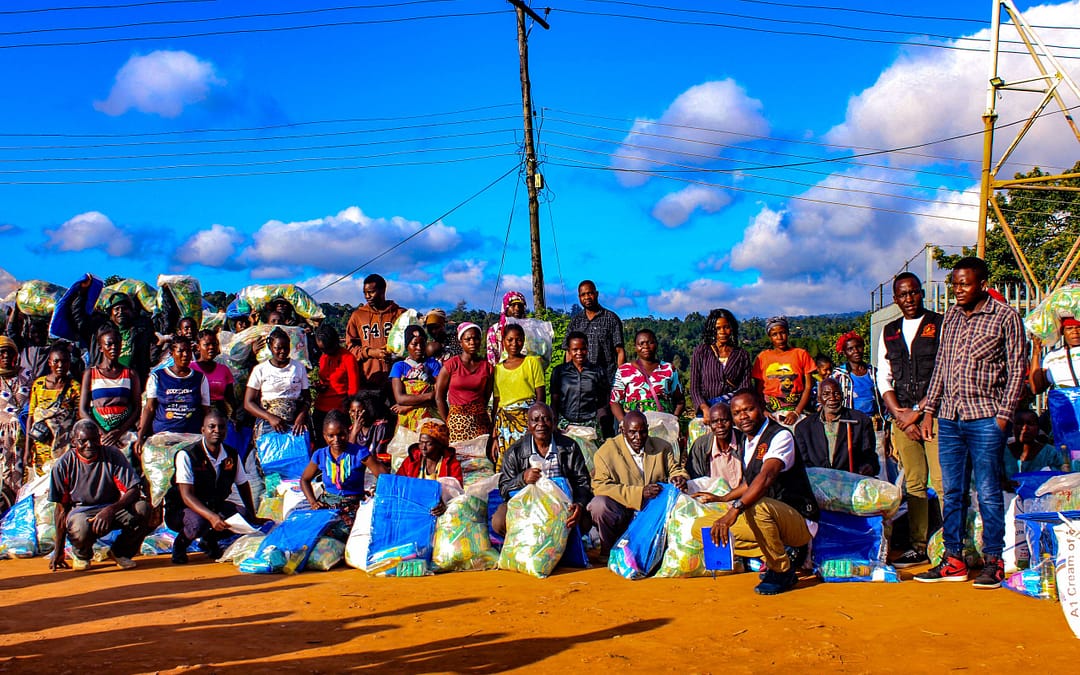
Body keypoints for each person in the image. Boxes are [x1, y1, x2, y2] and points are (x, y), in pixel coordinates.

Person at [916, 257, 1026, 590]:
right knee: (953, 492)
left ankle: (993, 562)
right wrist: (929, 409)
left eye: (964, 284)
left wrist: (1004, 416)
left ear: (981, 284)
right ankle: (954, 560)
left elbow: (1018, 369)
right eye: (955, 284)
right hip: (950, 418)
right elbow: (941, 368)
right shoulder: (950, 318)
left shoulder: (1005, 317)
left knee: (989, 493)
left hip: (985, 418)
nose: (958, 290)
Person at [708, 390, 821, 596]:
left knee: (755, 506)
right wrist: (722, 499)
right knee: (705, 527)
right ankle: (777, 554)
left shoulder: (780, 436)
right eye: (737, 412)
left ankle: (782, 570)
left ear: (761, 407)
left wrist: (735, 509)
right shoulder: (747, 441)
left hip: (796, 519)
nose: (743, 416)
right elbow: (749, 482)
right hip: (769, 519)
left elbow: (766, 477)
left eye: (749, 409)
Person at [876, 271, 944, 568]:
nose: (909, 299)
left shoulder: (940, 324)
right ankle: (919, 544)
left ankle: (947, 544)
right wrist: (901, 416)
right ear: (895, 299)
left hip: (936, 415)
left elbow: (945, 373)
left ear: (922, 293)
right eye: (903, 295)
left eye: (914, 292)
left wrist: (921, 411)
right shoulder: (889, 331)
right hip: (902, 417)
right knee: (914, 482)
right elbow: (884, 376)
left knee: (942, 481)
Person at [48, 420, 151, 572]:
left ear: (100, 438)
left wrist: (110, 510)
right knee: (80, 527)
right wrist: (58, 551)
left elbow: (133, 489)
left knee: (143, 508)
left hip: (111, 508)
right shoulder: (63, 465)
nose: (89, 445)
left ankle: (120, 552)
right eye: (83, 441)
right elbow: (61, 510)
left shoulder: (113, 455)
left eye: (94, 440)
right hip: (82, 512)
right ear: (74, 441)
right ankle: (82, 554)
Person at [588, 410, 689, 559]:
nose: (638, 438)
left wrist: (679, 478)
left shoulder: (662, 447)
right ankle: (608, 551)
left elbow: (675, 469)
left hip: (654, 513)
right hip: (623, 512)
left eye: (642, 432)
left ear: (647, 429)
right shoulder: (606, 453)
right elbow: (600, 487)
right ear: (622, 431)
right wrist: (639, 493)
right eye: (632, 433)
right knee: (599, 505)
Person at [164, 410, 261, 564]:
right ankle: (180, 546)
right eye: (212, 427)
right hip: (182, 508)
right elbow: (186, 496)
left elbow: (243, 485)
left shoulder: (231, 455)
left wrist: (252, 514)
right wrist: (211, 517)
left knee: (243, 516)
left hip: (213, 504)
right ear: (203, 430)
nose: (217, 431)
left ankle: (209, 540)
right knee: (198, 523)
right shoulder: (187, 455)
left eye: (221, 427)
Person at [491, 403, 592, 536]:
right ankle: (521, 542)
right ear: (528, 425)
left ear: (554, 422)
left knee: (585, 518)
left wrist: (579, 504)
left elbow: (582, 482)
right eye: (535, 420)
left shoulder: (569, 447)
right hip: (527, 507)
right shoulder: (515, 452)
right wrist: (522, 479)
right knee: (499, 520)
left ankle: (564, 545)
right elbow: (504, 488)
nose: (541, 424)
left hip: (562, 506)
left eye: (546, 419)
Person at [300, 409, 387, 528]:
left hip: (353, 506)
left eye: (341, 434)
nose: (336, 440)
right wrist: (313, 502)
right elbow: (304, 479)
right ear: (324, 436)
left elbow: (386, 477)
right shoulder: (320, 455)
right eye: (331, 436)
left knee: (338, 534)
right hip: (326, 504)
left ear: (347, 432)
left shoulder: (360, 453)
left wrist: (375, 497)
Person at [566, 280, 626, 436]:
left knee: (606, 424)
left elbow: (619, 351)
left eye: (590, 293)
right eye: (583, 294)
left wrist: (620, 381)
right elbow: (568, 353)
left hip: (606, 381)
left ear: (596, 294)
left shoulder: (611, 319)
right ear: (579, 297)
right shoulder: (575, 322)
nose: (587, 297)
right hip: (581, 382)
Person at [70, 281, 158, 384]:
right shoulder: (100, 331)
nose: (120, 312)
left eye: (124, 308)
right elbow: (78, 318)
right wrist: (82, 292)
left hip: (132, 383)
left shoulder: (143, 330)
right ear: (110, 313)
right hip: (103, 383)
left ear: (132, 312)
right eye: (116, 309)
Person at [135, 336, 210, 457]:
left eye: (188, 351)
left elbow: (206, 410)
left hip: (191, 437)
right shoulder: (158, 377)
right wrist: (140, 436)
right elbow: (149, 408)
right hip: (164, 437)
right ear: (172, 353)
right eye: (180, 351)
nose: (185, 355)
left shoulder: (200, 378)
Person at [79, 326, 142, 459]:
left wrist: (119, 432)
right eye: (109, 344)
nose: (113, 347)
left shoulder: (130, 374)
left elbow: (137, 408)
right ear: (101, 347)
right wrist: (103, 433)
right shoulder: (90, 374)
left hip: (123, 432)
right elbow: (83, 410)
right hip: (99, 432)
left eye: (117, 344)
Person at [793, 379, 879, 476]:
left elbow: (869, 455)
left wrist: (869, 466)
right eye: (826, 394)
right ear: (818, 399)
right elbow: (802, 462)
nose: (832, 398)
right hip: (817, 484)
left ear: (842, 396)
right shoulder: (804, 428)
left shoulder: (861, 421)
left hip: (850, 481)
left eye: (837, 394)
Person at [491, 324, 546, 468]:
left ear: (523, 340)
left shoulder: (532, 362)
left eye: (518, 340)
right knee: (508, 466)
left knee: (530, 463)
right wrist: (494, 434)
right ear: (503, 341)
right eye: (510, 340)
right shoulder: (498, 369)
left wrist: (534, 424)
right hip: (505, 426)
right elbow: (497, 402)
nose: (514, 344)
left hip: (528, 421)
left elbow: (541, 396)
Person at [24, 344, 82, 477]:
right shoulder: (38, 385)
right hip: (40, 445)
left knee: (62, 478)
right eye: (56, 361)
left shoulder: (74, 387)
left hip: (63, 444)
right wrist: (27, 448)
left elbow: (79, 419)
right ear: (50, 363)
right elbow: (31, 417)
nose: (60, 365)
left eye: (65, 361)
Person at [244, 328, 310, 440]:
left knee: (296, 456)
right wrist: (269, 417)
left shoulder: (298, 367)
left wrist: (301, 416)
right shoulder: (260, 369)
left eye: (286, 348)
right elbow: (248, 403)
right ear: (270, 348)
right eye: (278, 348)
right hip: (268, 426)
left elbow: (307, 398)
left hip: (295, 425)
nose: (283, 351)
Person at [609, 328, 685, 424]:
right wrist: (623, 422)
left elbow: (680, 400)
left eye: (650, 342)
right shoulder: (624, 371)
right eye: (641, 344)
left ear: (656, 344)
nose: (645, 346)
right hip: (634, 428)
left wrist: (674, 420)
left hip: (663, 427)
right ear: (635, 347)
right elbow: (614, 401)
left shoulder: (669, 369)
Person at [435, 323, 494, 444]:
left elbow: (486, 397)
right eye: (468, 339)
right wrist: (448, 420)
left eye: (476, 338)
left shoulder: (487, 367)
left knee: (480, 460)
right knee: (458, 459)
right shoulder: (451, 365)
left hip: (480, 422)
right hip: (456, 423)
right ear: (461, 342)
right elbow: (439, 396)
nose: (472, 342)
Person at [345, 273, 404, 392]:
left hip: (398, 379)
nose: (367, 296)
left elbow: (411, 345)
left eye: (371, 292)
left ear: (382, 291)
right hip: (369, 379)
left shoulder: (400, 314)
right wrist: (371, 352)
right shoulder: (358, 316)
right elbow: (350, 347)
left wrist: (395, 355)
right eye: (365, 293)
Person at [751, 316, 814, 426]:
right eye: (774, 334)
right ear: (770, 337)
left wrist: (796, 412)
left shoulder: (801, 354)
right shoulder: (763, 357)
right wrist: (763, 411)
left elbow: (808, 386)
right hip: (770, 411)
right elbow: (758, 389)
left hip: (797, 408)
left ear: (788, 333)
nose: (780, 337)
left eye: (783, 333)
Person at [690, 308, 752, 417]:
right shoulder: (701, 351)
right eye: (718, 328)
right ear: (712, 330)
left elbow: (745, 388)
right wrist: (704, 408)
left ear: (732, 328)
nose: (722, 332)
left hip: (734, 411)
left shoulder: (741, 355)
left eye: (726, 327)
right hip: (707, 410)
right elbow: (695, 387)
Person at [397, 418, 463, 515]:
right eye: (421, 442)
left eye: (429, 444)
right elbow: (399, 482)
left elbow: (457, 493)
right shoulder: (412, 461)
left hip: (436, 510)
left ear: (439, 445)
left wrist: (445, 504)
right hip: (413, 506)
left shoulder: (451, 464)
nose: (423, 447)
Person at [550, 331, 608, 434]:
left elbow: (602, 403)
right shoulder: (559, 371)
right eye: (575, 350)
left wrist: (603, 427)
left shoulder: (598, 372)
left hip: (590, 427)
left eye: (583, 349)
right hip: (565, 426)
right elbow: (555, 402)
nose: (579, 353)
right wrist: (553, 424)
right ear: (569, 351)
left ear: (587, 349)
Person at [389, 325, 442, 431]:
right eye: (414, 344)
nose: (419, 347)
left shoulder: (433, 364)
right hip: (407, 421)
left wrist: (409, 406)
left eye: (422, 343)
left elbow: (439, 395)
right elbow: (400, 398)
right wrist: (430, 395)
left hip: (430, 418)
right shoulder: (399, 367)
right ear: (407, 345)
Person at [312, 324, 360, 435]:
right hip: (320, 406)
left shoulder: (348, 358)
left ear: (334, 342)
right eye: (322, 349)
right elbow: (326, 380)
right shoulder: (324, 357)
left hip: (338, 410)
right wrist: (320, 386)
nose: (325, 351)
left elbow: (353, 390)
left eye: (327, 348)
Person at [684, 402, 743, 491]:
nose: (720, 426)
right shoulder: (701, 445)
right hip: (711, 498)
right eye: (715, 422)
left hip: (744, 496)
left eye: (724, 420)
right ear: (709, 424)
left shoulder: (744, 441)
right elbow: (696, 479)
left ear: (732, 421)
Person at [0, 336, 31, 507]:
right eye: (1, 353)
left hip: (23, 436)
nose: (5, 356)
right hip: (2, 439)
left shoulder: (26, 374)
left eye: (9, 352)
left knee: (23, 480)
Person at [1003, 409, 1068, 482]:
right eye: (1019, 423)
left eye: (1030, 424)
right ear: (1012, 427)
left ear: (1038, 428)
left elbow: (1061, 479)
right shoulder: (1001, 453)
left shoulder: (1050, 454)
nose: (1024, 428)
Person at [831, 332, 880, 417]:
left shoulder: (873, 373)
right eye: (850, 349)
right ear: (844, 353)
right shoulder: (839, 375)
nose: (856, 351)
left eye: (858, 347)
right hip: (850, 421)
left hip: (873, 421)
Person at [191, 330, 237, 419]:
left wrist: (233, 417)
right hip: (196, 415)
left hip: (219, 416)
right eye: (207, 344)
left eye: (214, 344)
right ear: (198, 347)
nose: (211, 347)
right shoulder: (190, 369)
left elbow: (230, 399)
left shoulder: (224, 370)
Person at [1029, 315, 1080, 395]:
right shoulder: (1052, 356)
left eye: (1079, 327)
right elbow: (1036, 388)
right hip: (1063, 405)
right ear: (1062, 331)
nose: (1075, 332)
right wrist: (1036, 352)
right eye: (1069, 328)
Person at [4, 308, 50, 380]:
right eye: (34, 332)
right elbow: (11, 330)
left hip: (42, 389)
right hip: (23, 386)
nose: (37, 335)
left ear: (46, 333)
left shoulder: (52, 350)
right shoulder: (23, 346)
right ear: (30, 334)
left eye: (40, 332)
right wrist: (16, 308)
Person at [347, 392, 393, 463]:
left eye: (360, 411)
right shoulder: (352, 429)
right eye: (353, 411)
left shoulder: (380, 428)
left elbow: (378, 454)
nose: (356, 415)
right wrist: (354, 433)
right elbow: (347, 455)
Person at [487, 291, 528, 365]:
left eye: (520, 305)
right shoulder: (495, 330)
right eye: (513, 305)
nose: (517, 308)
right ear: (505, 308)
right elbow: (492, 358)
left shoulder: (530, 329)